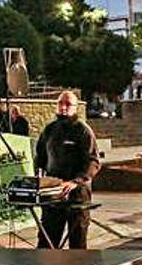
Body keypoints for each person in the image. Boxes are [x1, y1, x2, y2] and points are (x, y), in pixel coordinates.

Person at [35, 91, 100, 250]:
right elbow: (40, 156)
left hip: (77, 192)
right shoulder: (49, 129)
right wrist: (38, 178)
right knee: (47, 239)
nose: (63, 107)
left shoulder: (83, 130)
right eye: (60, 103)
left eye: (68, 104)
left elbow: (93, 161)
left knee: (77, 240)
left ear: (75, 107)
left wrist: (76, 181)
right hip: (53, 191)